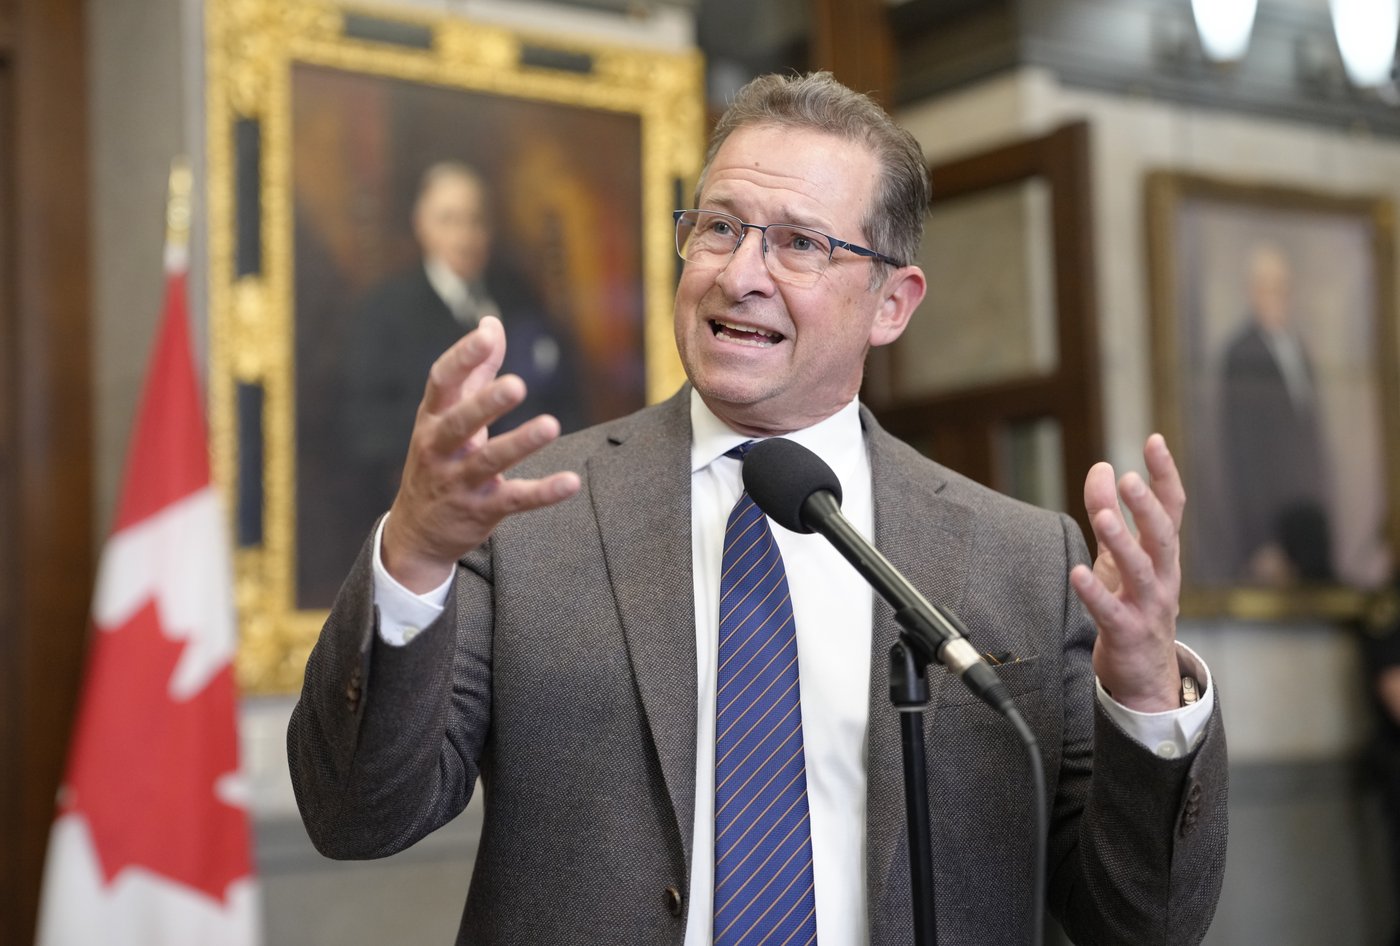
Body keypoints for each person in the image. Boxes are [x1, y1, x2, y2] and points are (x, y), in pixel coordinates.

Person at [288, 72, 1227, 945]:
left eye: (800, 243)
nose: (740, 274)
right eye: (720, 227)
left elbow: (1142, 922)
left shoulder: (1022, 560)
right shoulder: (528, 519)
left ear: (892, 303)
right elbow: (356, 815)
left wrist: (1147, 696)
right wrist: (412, 559)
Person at [342, 161, 584, 523]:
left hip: (532, 502)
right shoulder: (385, 310)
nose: (465, 235)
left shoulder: (519, 299)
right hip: (434, 505)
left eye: (475, 220)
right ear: (421, 224)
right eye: (449, 220)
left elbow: (563, 397)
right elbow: (366, 426)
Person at [1219, 243, 1332, 585]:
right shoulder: (1241, 353)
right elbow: (1242, 456)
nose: (1276, 297)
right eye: (1267, 287)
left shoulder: (1299, 348)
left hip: (1308, 526)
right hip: (1271, 531)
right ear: (1252, 292)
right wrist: (1263, 541)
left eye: (1282, 287)